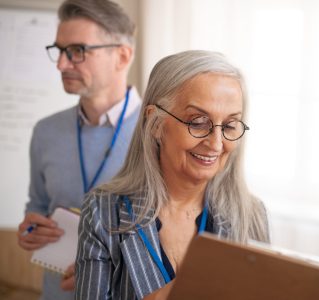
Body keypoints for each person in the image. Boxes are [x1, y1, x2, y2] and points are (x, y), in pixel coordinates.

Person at [74, 50, 270, 299]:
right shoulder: (103, 211)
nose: (217, 144)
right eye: (198, 122)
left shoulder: (252, 215)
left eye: (230, 125)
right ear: (155, 124)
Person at [16, 0, 140, 299]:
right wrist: (30, 230)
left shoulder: (157, 133)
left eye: (77, 51)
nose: (61, 64)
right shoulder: (46, 131)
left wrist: (102, 267)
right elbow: (38, 205)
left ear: (122, 56)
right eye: (59, 50)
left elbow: (176, 238)